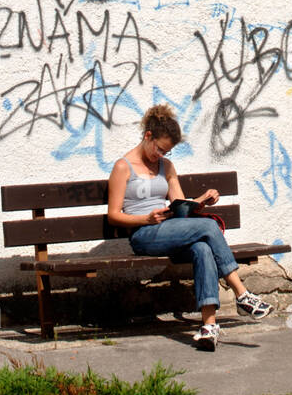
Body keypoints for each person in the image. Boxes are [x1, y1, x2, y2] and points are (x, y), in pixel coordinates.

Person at [107, 102, 273, 350]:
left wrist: (202, 200)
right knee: (207, 229)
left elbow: (180, 204)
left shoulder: (167, 167)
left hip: (171, 230)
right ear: (148, 136)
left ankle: (209, 326)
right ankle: (241, 293)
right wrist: (146, 219)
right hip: (143, 234)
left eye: (167, 152)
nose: (161, 155)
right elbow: (113, 215)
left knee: (203, 249)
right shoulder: (123, 166)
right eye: (159, 149)